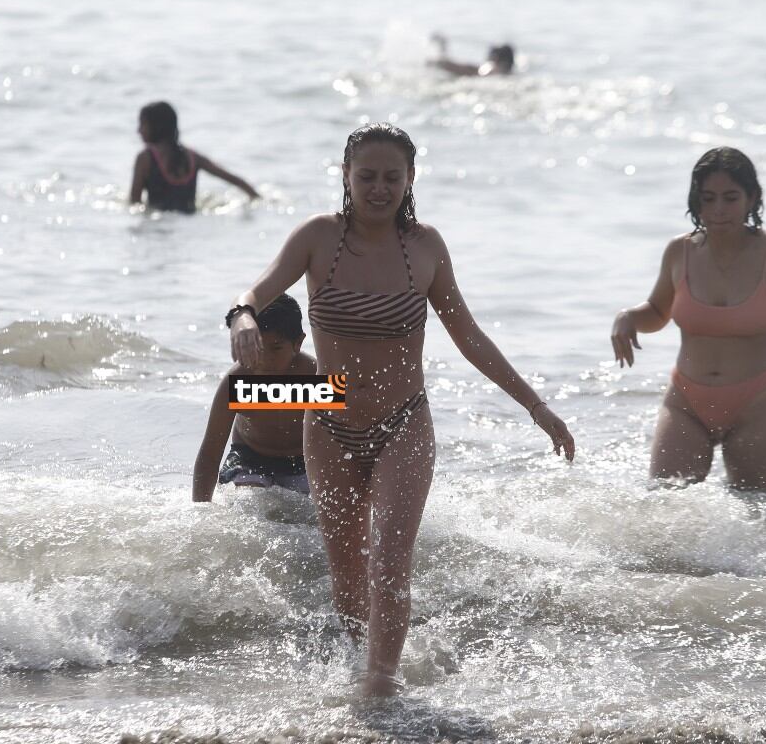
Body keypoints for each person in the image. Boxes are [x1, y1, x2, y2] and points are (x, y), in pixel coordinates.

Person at [226, 123, 574, 695]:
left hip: (404, 421)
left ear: (411, 177)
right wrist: (242, 316)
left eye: (392, 176)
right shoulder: (317, 237)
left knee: (389, 559)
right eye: (367, 176)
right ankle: (359, 669)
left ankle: (381, 683)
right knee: (346, 571)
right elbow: (254, 292)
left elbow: (470, 337)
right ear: (346, 176)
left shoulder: (425, 247)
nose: (379, 188)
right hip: (329, 419)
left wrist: (536, 407)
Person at [610, 147, 766, 489]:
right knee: (663, 501)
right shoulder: (679, 251)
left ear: (751, 198)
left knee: (755, 511)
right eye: (708, 199)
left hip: (758, 403)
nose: (718, 210)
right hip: (686, 402)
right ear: (696, 200)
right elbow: (656, 312)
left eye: (730, 198)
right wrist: (627, 318)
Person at [193, 295, 316, 502]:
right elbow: (210, 453)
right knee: (249, 501)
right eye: (258, 348)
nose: (265, 359)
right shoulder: (239, 382)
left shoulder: (313, 377)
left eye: (276, 348)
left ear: (298, 343)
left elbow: (345, 437)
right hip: (250, 458)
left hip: (303, 460)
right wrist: (200, 509)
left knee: (308, 509)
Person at [129, 101, 261, 213]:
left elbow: (135, 202)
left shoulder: (145, 159)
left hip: (159, 222)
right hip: (190, 220)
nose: (139, 130)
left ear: (157, 127)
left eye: (142, 124)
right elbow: (234, 180)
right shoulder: (192, 157)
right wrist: (256, 198)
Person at [428, 34, 514, 77]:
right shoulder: (509, 74)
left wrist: (441, 63)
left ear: (496, 57)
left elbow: (479, 72)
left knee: (442, 62)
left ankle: (442, 49)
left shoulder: (491, 67)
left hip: (475, 78)